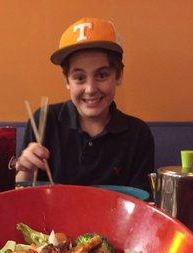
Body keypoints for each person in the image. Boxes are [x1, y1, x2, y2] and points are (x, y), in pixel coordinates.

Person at [16, 17, 154, 191]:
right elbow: (21, 192)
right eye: (80, 78)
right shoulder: (44, 120)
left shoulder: (138, 134)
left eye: (102, 75)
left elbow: (141, 205)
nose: (90, 89)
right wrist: (26, 171)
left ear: (118, 75)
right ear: (67, 81)